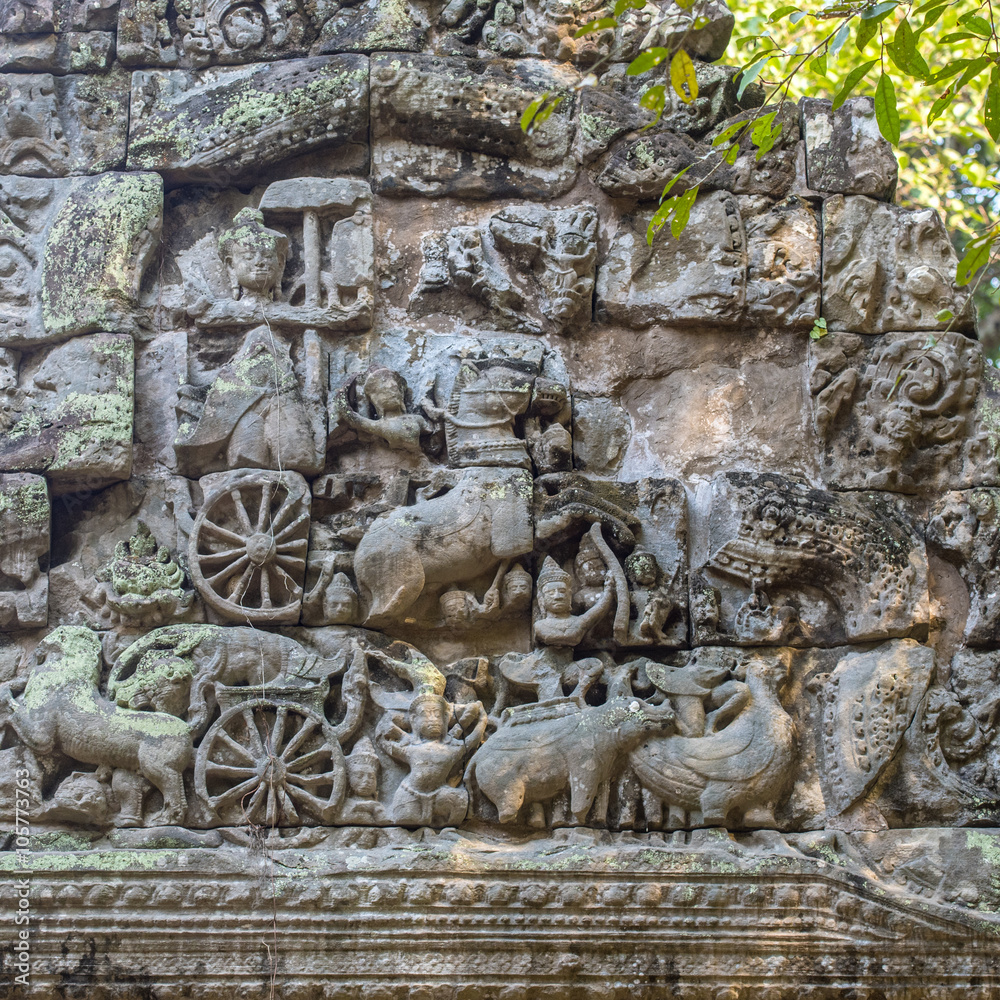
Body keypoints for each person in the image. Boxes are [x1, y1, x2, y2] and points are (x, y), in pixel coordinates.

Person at [376, 690, 487, 827]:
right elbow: (386, 744)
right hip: (410, 792)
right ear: (414, 719)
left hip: (440, 793)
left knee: (461, 802)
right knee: (404, 819)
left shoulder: (453, 749)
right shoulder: (410, 749)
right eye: (425, 714)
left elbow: (473, 739)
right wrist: (382, 726)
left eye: (437, 715)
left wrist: (482, 719)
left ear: (445, 718)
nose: (433, 719)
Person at [333, 368, 434, 454]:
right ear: (375, 400)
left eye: (394, 389)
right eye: (384, 391)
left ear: (401, 394)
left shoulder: (417, 419)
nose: (392, 393)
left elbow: (431, 432)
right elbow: (354, 419)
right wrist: (343, 392)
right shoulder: (382, 426)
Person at [533, 556, 614, 648]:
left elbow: (600, 608)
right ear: (542, 599)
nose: (558, 596)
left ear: (569, 596)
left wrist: (609, 588)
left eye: (562, 591)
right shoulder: (539, 626)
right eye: (551, 593)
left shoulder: (578, 621)